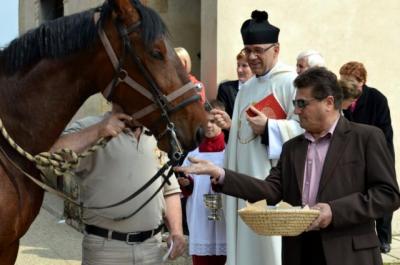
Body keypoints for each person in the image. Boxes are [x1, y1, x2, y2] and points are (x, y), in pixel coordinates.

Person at [175, 67, 400, 265]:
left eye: (302, 104)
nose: (297, 110)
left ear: (329, 103)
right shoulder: (293, 147)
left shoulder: (366, 138)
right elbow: (270, 191)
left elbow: (388, 195)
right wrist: (221, 174)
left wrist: (334, 211)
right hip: (300, 252)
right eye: (295, 103)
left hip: (348, 254)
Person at [211, 10, 303, 265]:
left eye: (258, 50)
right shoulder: (246, 88)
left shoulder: (291, 83)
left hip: (270, 186)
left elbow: (305, 131)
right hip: (241, 183)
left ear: (276, 49)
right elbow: (241, 140)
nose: (252, 57)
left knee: (268, 252)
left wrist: (271, 128)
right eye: (248, 50)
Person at [50, 104, 186, 265]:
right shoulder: (90, 126)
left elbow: (169, 190)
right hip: (106, 249)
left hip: (153, 248)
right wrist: (99, 130)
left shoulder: (157, 133)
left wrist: (177, 232)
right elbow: (52, 155)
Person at [339, 61, 395, 253]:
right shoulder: (341, 98)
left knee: (382, 195)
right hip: (353, 155)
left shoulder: (377, 99)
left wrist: (380, 156)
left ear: (362, 81)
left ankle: (384, 238)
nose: (345, 84)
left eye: (350, 80)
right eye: (343, 80)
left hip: (379, 152)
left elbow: (385, 130)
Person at [177, 100, 227, 265]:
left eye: (213, 121)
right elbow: (186, 187)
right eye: (205, 122)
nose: (209, 126)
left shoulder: (230, 153)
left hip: (223, 214)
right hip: (200, 214)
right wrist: (186, 184)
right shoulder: (193, 155)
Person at [217, 50, 253, 118]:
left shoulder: (261, 88)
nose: (239, 70)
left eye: (244, 66)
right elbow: (220, 119)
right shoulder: (226, 88)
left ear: (253, 68)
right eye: (238, 65)